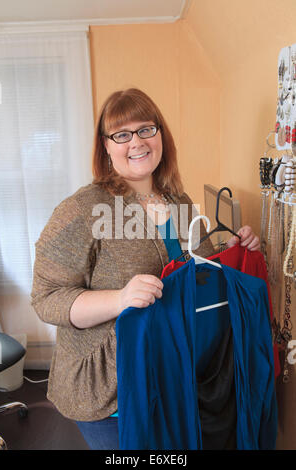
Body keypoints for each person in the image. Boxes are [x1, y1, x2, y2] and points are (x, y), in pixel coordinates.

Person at [31, 88, 260, 450]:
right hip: (112, 388)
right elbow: (47, 298)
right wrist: (120, 299)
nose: (136, 142)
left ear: (160, 136)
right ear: (105, 146)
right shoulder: (82, 209)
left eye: (145, 129)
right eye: (121, 134)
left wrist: (231, 251)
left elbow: (195, 268)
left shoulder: (178, 201)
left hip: (171, 372)